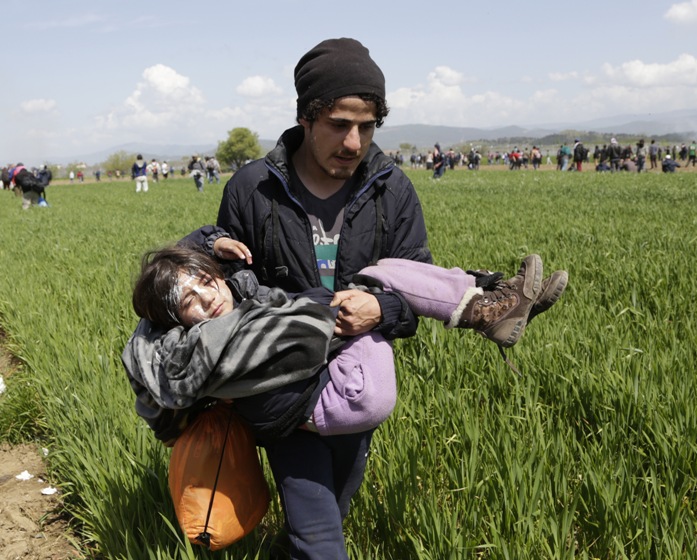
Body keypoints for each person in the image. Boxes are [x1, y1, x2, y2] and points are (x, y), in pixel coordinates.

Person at [181, 37, 567, 558]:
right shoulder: (254, 187)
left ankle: (487, 300)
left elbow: (414, 289)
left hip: (356, 380)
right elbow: (218, 279)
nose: (354, 141)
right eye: (340, 124)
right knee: (319, 537)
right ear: (305, 117)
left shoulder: (392, 189)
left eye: (367, 126)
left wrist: (379, 309)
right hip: (282, 381)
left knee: (328, 516)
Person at [123, 243, 567, 442]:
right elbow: (298, 326)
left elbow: (289, 308)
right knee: (376, 283)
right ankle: (488, 306)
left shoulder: (231, 308)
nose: (208, 297)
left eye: (206, 281)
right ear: (174, 320)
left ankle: (489, 299)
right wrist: (368, 307)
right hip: (347, 397)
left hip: (326, 394)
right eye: (189, 301)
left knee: (381, 276)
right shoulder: (200, 348)